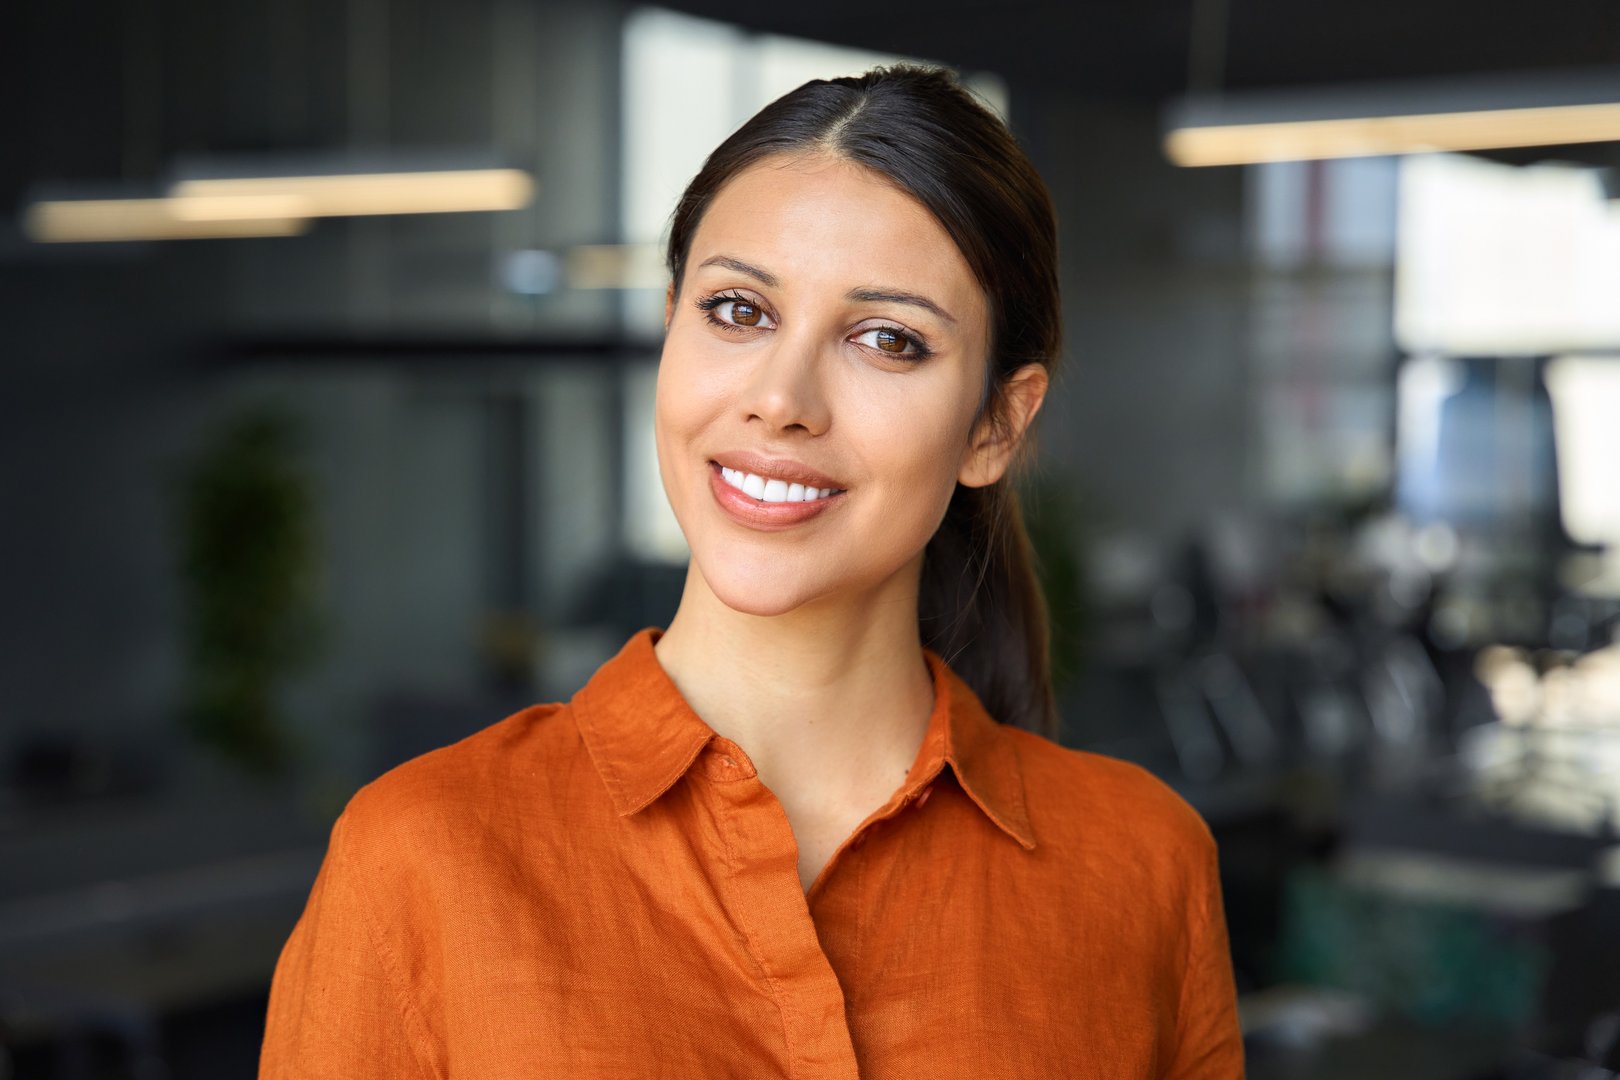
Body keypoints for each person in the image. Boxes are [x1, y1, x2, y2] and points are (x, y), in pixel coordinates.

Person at [259, 65, 1243, 1078]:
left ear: (994, 426)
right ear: (671, 324)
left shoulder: (1141, 866)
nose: (781, 398)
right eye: (738, 311)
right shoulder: (422, 857)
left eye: (886, 339)